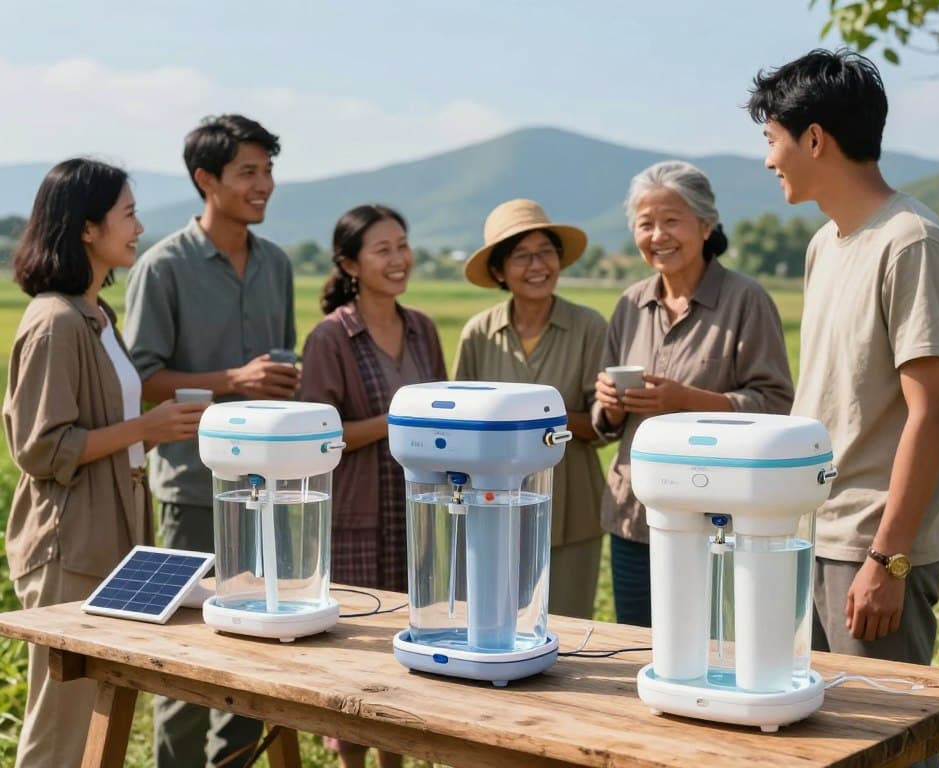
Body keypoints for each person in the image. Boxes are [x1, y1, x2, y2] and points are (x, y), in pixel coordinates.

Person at [748, 51, 939, 768]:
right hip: (812, 533)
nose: (768, 159)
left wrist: (887, 560)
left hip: (871, 548)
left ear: (814, 140)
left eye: (772, 138)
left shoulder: (913, 241)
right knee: (820, 745)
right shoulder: (823, 245)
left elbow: (933, 412)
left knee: (890, 752)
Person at [3, 158, 205, 768]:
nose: (139, 227)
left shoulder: (96, 318)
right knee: (62, 723)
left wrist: (147, 432)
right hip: (72, 546)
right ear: (88, 229)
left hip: (112, 537)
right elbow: (40, 449)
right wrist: (143, 428)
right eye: (128, 214)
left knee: (100, 713)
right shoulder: (55, 322)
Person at [124, 114, 299, 768]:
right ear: (206, 180)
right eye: (248, 172)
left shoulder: (277, 263)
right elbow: (143, 381)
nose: (264, 185)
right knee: (189, 661)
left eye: (268, 171)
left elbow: (274, 369)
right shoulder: (163, 266)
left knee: (254, 656)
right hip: (194, 490)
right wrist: (234, 380)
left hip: (267, 486)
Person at [591, 160, 794, 628]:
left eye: (671, 220)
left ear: (705, 225)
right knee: (637, 644)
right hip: (634, 514)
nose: (657, 235)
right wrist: (609, 403)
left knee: (713, 650)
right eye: (646, 224)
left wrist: (685, 399)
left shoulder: (746, 301)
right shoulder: (630, 304)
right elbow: (603, 423)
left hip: (716, 518)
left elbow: (775, 404)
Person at [299, 204, 446, 768]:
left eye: (402, 245)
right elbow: (319, 434)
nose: (398, 258)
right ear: (349, 263)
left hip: (419, 511)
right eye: (382, 249)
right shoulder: (331, 338)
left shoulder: (422, 329)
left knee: (412, 645)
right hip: (357, 516)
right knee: (357, 657)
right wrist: (399, 420)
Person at [453, 199, 608, 619]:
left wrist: (531, 426)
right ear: (500, 271)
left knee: (567, 622)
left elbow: (602, 426)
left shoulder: (590, 327)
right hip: (489, 502)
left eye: (545, 252)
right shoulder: (479, 335)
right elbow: (460, 428)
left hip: (572, 506)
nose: (536, 264)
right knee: (491, 619)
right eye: (521, 255)